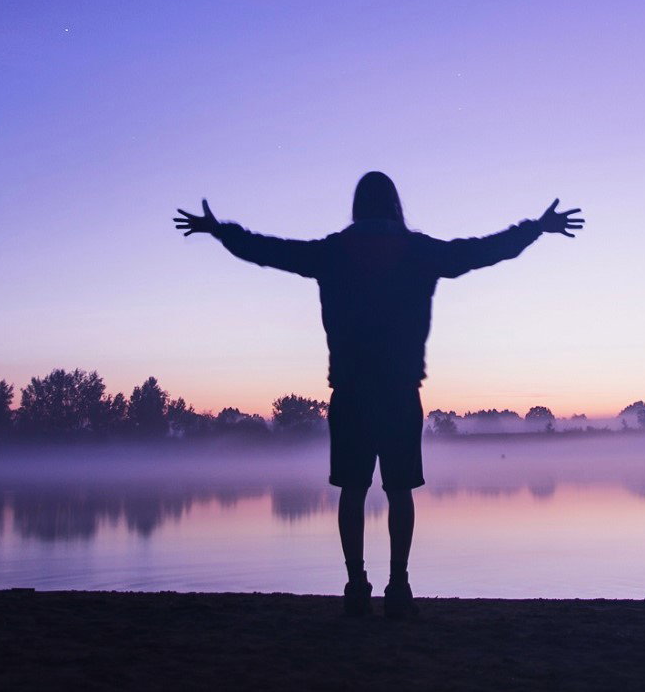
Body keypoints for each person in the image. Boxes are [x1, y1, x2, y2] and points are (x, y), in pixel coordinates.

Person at [174, 171, 583, 618]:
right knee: (400, 491)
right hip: (399, 394)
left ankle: (355, 585)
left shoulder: (332, 253)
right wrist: (536, 229)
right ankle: (399, 586)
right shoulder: (420, 252)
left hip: (350, 392)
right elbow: (482, 251)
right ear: (394, 205)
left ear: (358, 206)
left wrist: (219, 231)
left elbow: (268, 251)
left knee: (352, 491)